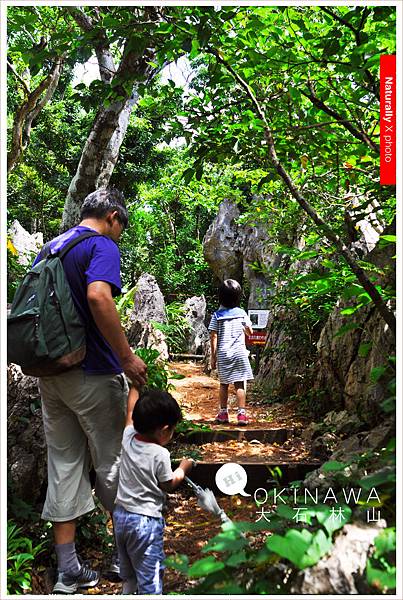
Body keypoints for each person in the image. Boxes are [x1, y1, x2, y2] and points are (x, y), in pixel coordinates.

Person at [35, 188, 147, 594]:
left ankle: (68, 569)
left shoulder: (51, 247)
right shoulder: (101, 244)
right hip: (94, 372)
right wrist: (127, 358)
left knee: (64, 464)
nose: (120, 235)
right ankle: (122, 555)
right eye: (122, 227)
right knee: (113, 462)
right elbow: (99, 297)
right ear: (113, 216)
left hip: (52, 372)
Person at [113, 387, 194, 595]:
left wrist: (135, 386)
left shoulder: (128, 437)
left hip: (121, 517)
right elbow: (168, 484)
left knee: (129, 573)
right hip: (145, 524)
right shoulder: (160, 454)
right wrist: (183, 467)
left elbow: (130, 412)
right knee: (150, 577)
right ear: (164, 430)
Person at [209, 279, 254, 425]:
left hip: (224, 354)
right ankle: (241, 414)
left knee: (224, 384)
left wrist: (213, 357)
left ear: (220, 297)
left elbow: (213, 335)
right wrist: (246, 329)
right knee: (240, 384)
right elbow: (249, 331)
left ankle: (223, 413)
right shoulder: (241, 313)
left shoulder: (217, 315)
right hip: (239, 353)